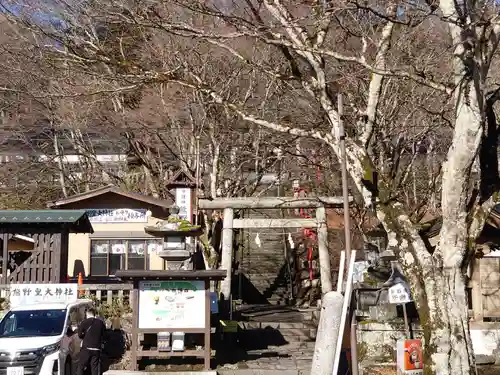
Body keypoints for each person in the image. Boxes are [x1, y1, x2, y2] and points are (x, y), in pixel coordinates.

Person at [77, 308, 106, 375]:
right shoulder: (100, 323)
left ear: (87, 314)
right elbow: (104, 334)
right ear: (94, 314)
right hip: (97, 349)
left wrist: (84, 336)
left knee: (81, 366)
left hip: (86, 348)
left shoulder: (84, 322)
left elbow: (79, 335)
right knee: (94, 367)